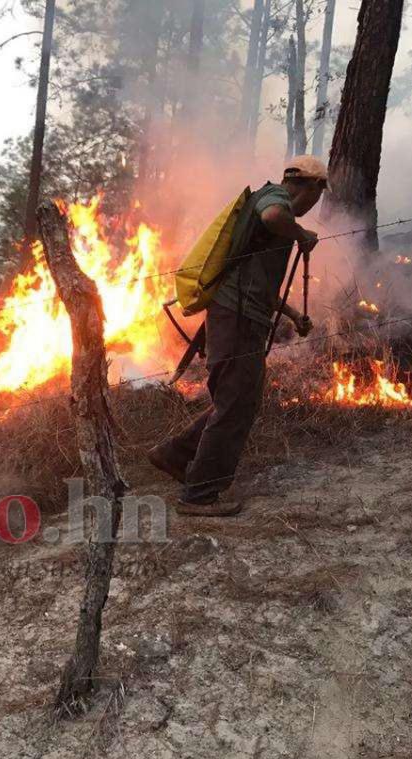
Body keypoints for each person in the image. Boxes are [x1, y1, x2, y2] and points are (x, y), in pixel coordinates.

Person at [148, 156, 329, 516]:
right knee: (237, 404)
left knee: (234, 399)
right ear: (310, 187)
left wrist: (292, 315)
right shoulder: (274, 198)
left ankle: (176, 456)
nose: (315, 203)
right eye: (318, 192)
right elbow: (274, 217)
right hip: (238, 321)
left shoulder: (272, 212)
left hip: (241, 317)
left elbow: (258, 281)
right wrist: (301, 234)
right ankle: (199, 495)